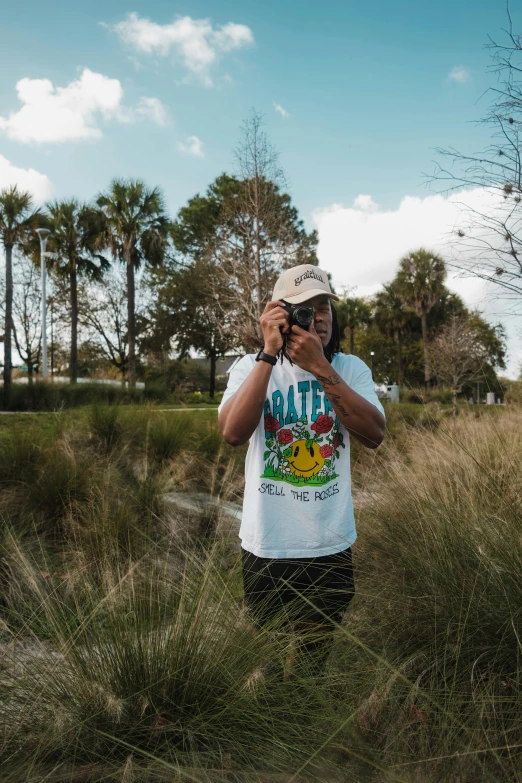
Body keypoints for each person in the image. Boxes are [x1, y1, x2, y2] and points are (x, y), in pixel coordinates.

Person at [218, 263, 385, 680]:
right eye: (305, 308)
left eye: (324, 305)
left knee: (313, 657)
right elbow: (233, 433)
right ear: (281, 315)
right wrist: (268, 354)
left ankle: (302, 712)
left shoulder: (349, 369)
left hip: (328, 540)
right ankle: (274, 723)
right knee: (270, 656)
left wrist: (320, 368)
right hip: (269, 541)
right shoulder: (250, 367)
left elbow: (374, 434)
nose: (320, 316)